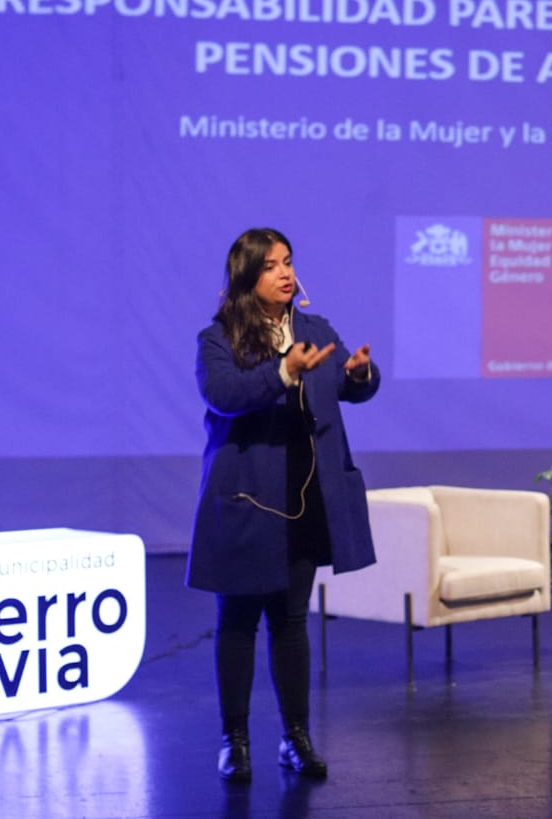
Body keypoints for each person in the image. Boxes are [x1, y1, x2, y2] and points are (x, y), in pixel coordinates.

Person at [187, 227, 379, 783]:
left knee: (292, 622)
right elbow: (223, 395)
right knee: (238, 623)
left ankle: (295, 738)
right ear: (248, 277)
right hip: (245, 500)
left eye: (288, 261)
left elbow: (349, 386)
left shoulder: (316, 329)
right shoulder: (218, 338)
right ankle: (235, 741)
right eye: (271, 265)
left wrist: (359, 375)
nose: (285, 273)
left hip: (303, 499)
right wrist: (282, 370)